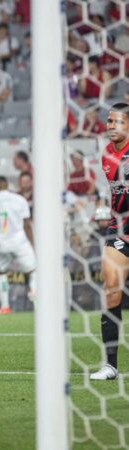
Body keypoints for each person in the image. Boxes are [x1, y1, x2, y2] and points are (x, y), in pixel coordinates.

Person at [90, 103, 129, 380]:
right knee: (111, 290)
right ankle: (110, 365)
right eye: (109, 121)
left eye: (117, 121)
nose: (111, 126)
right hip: (119, 229)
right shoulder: (106, 155)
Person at [0, 175, 36, 314]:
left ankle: (5, 306)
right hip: (19, 239)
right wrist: (32, 243)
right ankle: (34, 292)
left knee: (0, 273)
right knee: (32, 271)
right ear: (6, 185)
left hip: (1, 240)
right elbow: (27, 224)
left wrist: (0, 235)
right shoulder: (20, 200)